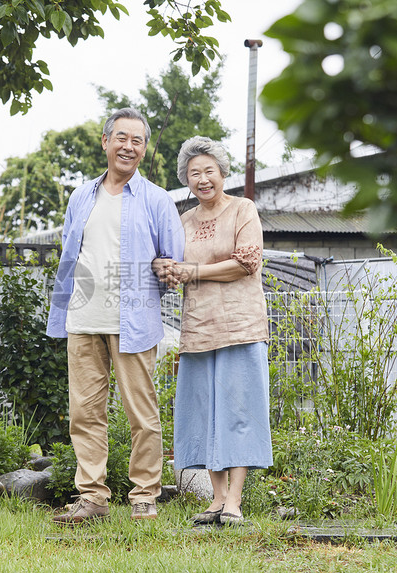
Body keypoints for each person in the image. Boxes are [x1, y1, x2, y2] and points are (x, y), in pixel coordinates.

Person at [46, 108, 185, 524]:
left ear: (144, 150)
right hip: (83, 317)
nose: (128, 146)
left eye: (137, 140)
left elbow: (172, 261)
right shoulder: (80, 196)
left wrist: (156, 281)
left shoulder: (157, 199)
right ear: (104, 142)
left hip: (134, 321)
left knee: (141, 414)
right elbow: (71, 256)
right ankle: (93, 498)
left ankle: (144, 495)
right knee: (84, 413)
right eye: (121, 138)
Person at [155, 135, 272, 526]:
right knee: (203, 413)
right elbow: (170, 263)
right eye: (194, 174)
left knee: (238, 411)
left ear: (222, 173)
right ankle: (216, 499)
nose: (202, 179)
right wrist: (165, 267)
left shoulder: (243, 209)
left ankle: (235, 501)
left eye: (209, 171)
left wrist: (195, 272)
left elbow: (247, 262)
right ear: (186, 181)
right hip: (199, 328)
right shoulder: (183, 221)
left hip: (241, 326)